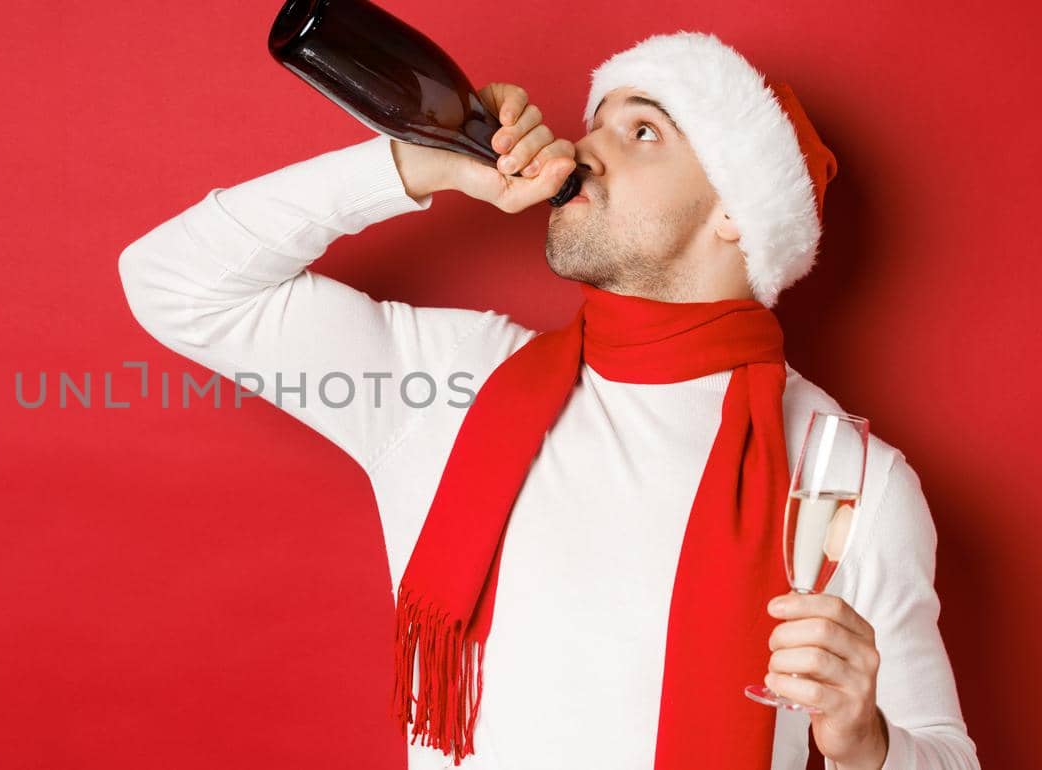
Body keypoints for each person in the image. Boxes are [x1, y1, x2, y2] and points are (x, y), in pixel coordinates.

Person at [117, 31, 978, 770]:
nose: (584, 150)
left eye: (642, 131)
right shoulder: (450, 383)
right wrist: (422, 162)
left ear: (737, 216)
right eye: (593, 123)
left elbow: (943, 750)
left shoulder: (853, 476)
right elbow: (173, 284)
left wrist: (868, 742)